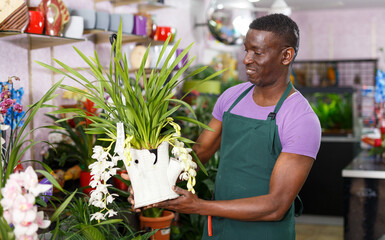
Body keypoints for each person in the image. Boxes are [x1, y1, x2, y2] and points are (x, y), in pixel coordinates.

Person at [124, 13, 321, 239]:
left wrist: (199, 207)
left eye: (257, 52)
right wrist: (150, 183)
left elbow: (276, 206)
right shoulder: (231, 98)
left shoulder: (301, 118)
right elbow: (198, 154)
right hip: (220, 229)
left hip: (265, 233)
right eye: (246, 50)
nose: (247, 59)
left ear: (286, 56)